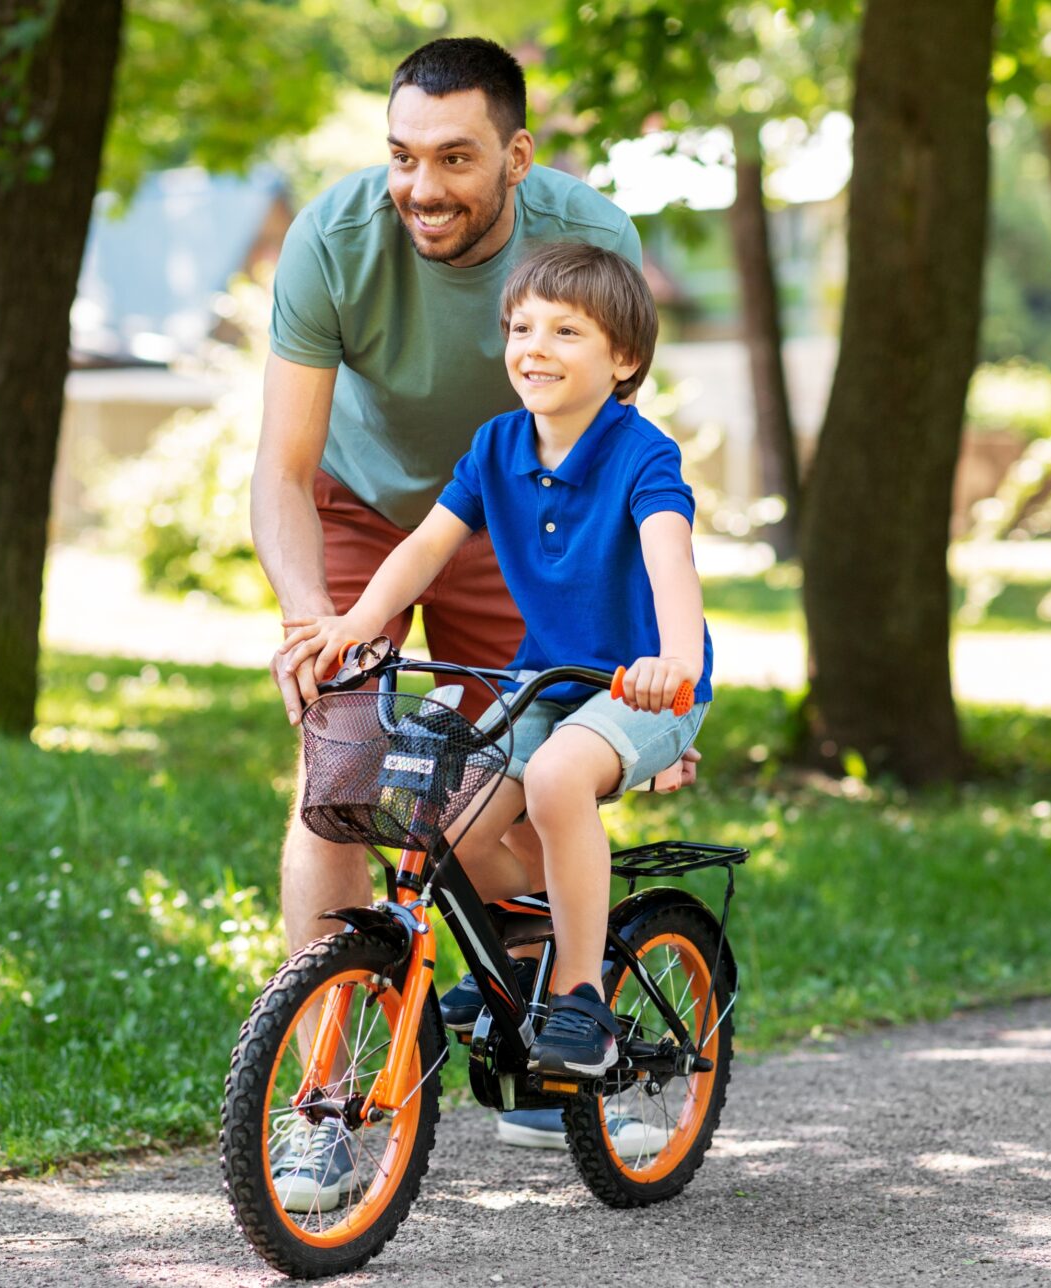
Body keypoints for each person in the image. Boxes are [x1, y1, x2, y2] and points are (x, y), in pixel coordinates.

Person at [252, 35, 698, 1160]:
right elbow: (282, 468)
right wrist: (317, 628)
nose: (422, 186)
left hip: (522, 515)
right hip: (374, 513)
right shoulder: (335, 239)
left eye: (455, 158)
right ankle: (324, 1102)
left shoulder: (589, 236)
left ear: (517, 157)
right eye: (403, 155)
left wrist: (657, 674)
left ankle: (546, 1014)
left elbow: (625, 478)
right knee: (343, 775)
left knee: (517, 786)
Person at [279, 239, 714, 1087]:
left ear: (624, 360)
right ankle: (526, 950)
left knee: (555, 779)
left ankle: (581, 995)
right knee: (447, 823)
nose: (535, 347)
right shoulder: (497, 446)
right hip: (546, 678)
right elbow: (425, 547)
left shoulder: (642, 455)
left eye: (566, 331)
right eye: (521, 328)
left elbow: (672, 562)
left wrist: (676, 662)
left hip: (643, 686)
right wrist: (356, 623)